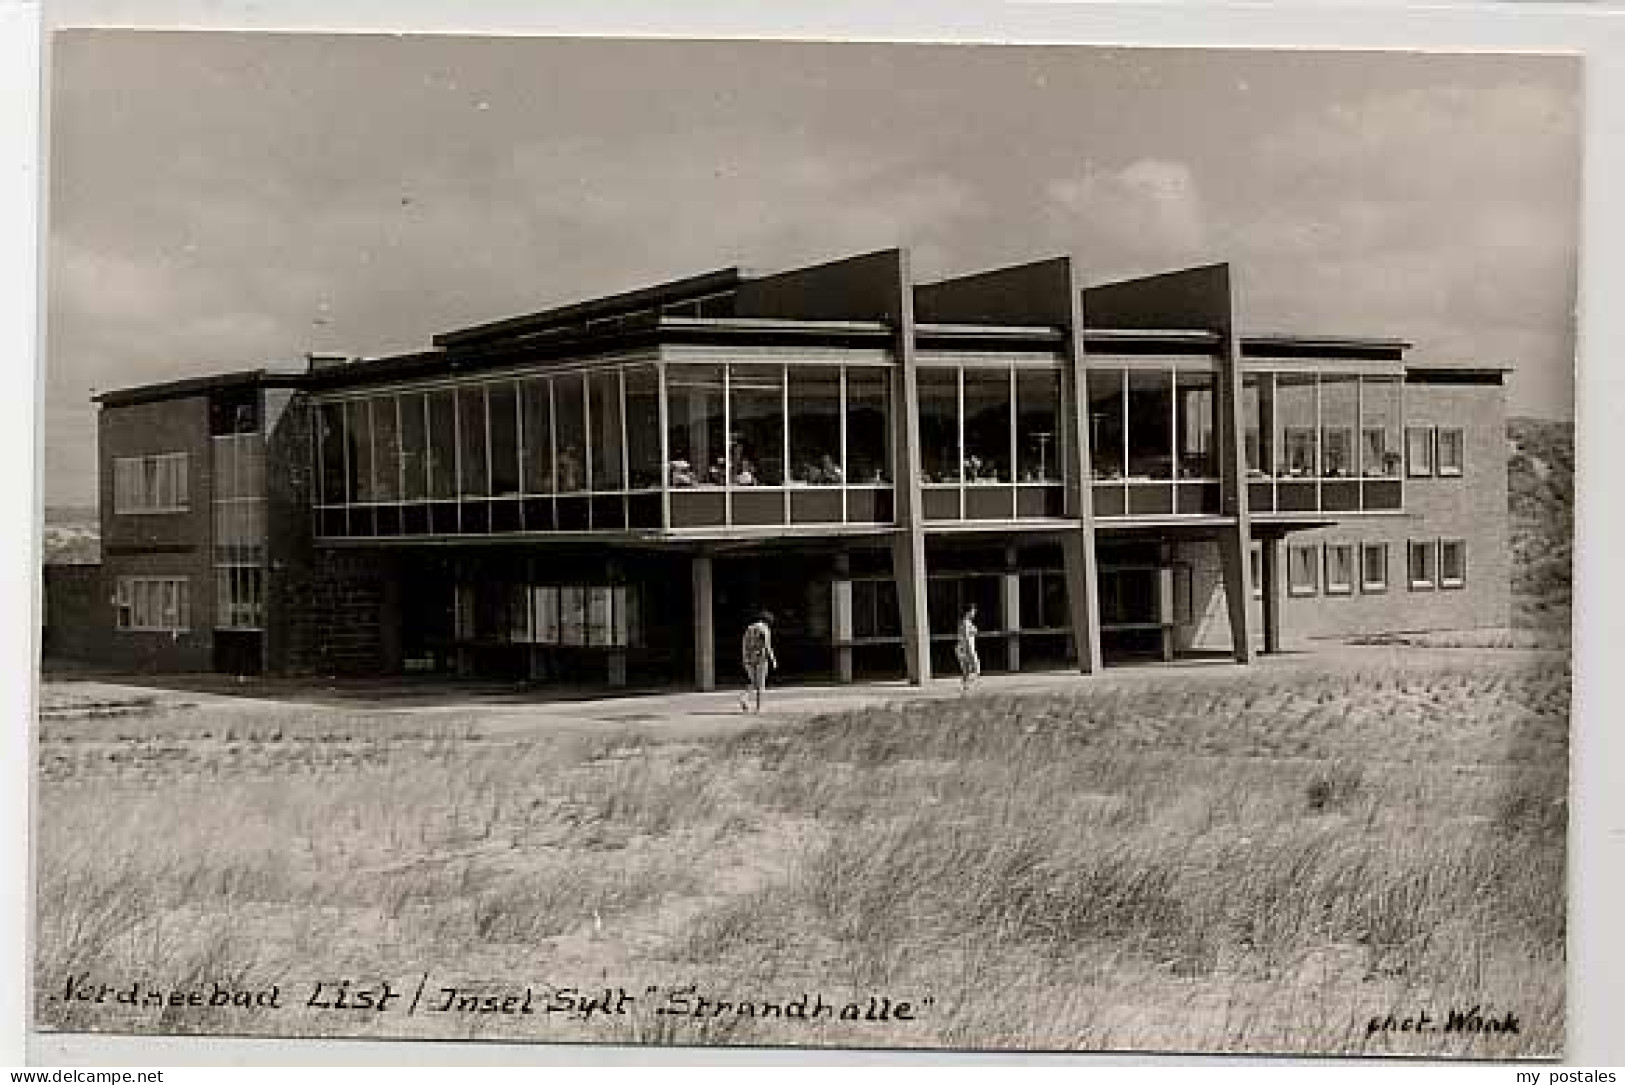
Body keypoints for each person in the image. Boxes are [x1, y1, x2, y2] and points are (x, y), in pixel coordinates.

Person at [739, 611, 777, 713]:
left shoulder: (749, 628)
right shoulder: (765, 629)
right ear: (768, 621)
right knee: (760, 684)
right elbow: (767, 645)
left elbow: (744, 643)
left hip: (749, 658)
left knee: (753, 682)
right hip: (761, 658)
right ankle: (759, 708)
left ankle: (744, 697)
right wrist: (772, 659)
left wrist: (744, 658)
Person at [955, 604, 981, 695]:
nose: (974, 613)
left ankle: (965, 687)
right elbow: (966, 637)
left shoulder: (966, 622)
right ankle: (967, 686)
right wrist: (969, 652)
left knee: (967, 670)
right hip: (966, 648)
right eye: (973, 611)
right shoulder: (965, 623)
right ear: (969, 612)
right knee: (976, 668)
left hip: (964, 648)